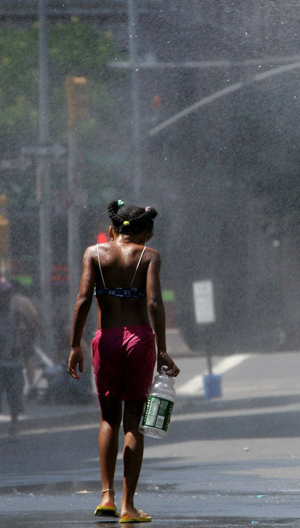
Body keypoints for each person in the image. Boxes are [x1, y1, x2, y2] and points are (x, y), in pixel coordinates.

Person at [67, 200, 179, 523]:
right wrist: (162, 349)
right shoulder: (149, 256)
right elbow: (155, 302)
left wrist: (75, 345)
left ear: (115, 230)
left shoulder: (94, 254)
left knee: (108, 420)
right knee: (134, 422)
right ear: (143, 233)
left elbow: (84, 299)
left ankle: (107, 497)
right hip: (139, 340)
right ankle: (129, 507)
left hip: (108, 338)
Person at [0, 279, 41, 444]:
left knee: (15, 397)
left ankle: (14, 427)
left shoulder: (17, 314)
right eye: (1, 296)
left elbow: (34, 327)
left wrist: (23, 346)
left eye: (6, 296)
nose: (4, 300)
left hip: (14, 363)